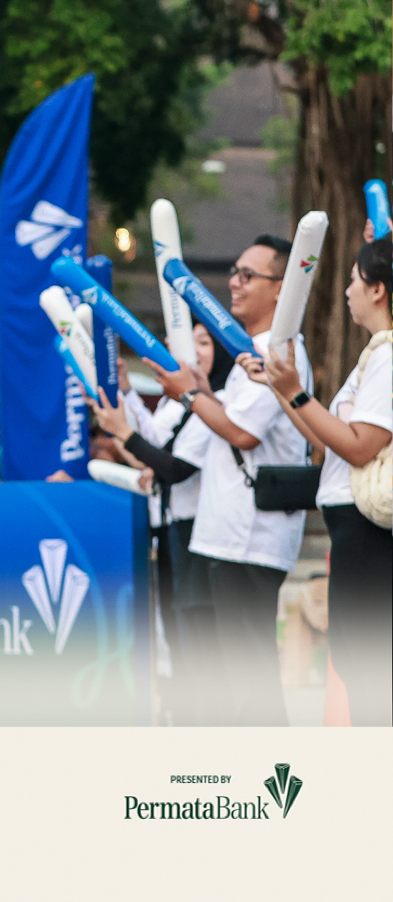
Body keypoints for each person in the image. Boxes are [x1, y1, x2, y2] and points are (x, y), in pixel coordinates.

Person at [149, 234, 308, 726]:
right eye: (235, 273)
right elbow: (230, 420)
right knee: (232, 682)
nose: (234, 283)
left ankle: (275, 773)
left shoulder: (278, 351)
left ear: (281, 288)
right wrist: (200, 392)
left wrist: (189, 395)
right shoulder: (249, 352)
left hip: (249, 539)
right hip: (227, 535)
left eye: (248, 275)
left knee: (250, 683)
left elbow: (241, 433)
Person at [240, 235, 392, 726]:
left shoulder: (388, 358)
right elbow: (327, 440)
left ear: (378, 290)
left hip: (369, 536)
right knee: (359, 669)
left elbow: (359, 445)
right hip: (355, 533)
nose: (346, 291)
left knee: (370, 678)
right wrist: (283, 390)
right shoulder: (376, 356)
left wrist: (297, 393)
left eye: (353, 280)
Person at [92, 323, 225, 723]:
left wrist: (125, 434)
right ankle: (181, 717)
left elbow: (175, 467)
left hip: (198, 530)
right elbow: (150, 445)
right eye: (187, 342)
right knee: (172, 627)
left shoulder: (216, 405)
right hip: (168, 526)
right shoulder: (172, 406)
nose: (193, 352)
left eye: (204, 343)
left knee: (197, 637)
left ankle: (204, 721)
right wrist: (124, 395)